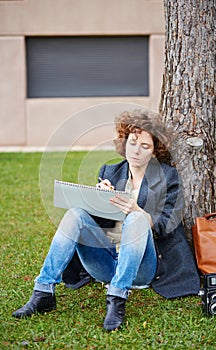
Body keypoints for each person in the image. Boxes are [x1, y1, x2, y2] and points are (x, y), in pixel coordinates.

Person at [12, 109, 200, 331]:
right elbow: (99, 226)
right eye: (133, 142)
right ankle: (43, 292)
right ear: (125, 143)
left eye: (145, 146)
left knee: (137, 219)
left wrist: (137, 210)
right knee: (76, 214)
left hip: (142, 267)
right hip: (106, 262)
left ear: (155, 151)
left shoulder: (168, 177)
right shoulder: (110, 172)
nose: (136, 151)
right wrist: (98, 200)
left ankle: (117, 300)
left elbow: (168, 225)